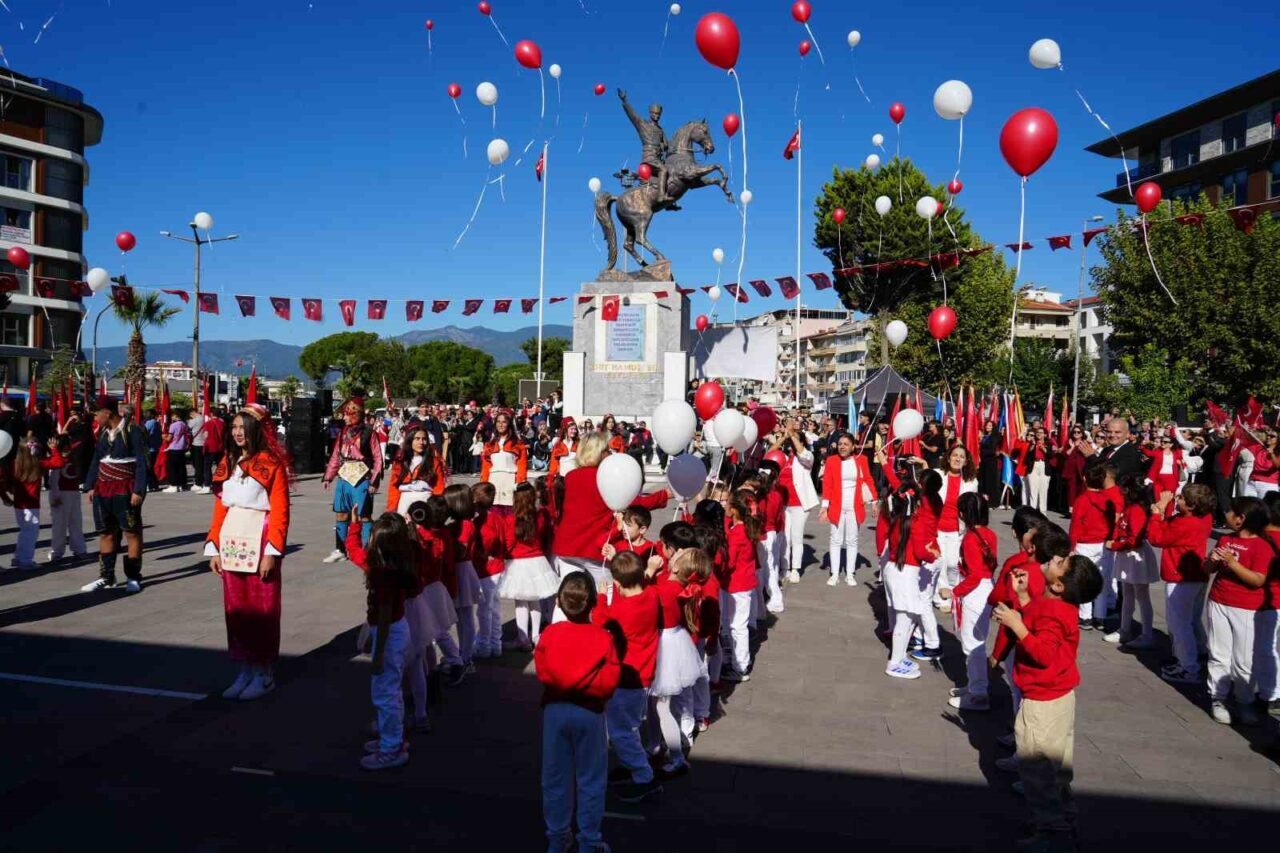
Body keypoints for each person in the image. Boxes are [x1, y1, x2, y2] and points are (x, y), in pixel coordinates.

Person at [992, 553, 1101, 850]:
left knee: (1037, 770)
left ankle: (1052, 832)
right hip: (1060, 697)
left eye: (1060, 564)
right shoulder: (1058, 606)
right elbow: (1040, 622)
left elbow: (1043, 653)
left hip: (1043, 700)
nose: (1055, 559)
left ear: (1059, 585)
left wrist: (1017, 625)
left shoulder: (1055, 612)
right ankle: (1063, 820)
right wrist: (1025, 598)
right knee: (1057, 770)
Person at [204, 404, 292, 701]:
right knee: (236, 608)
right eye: (234, 427)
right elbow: (221, 506)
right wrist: (213, 545)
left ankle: (264, 672)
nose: (237, 432)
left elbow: (280, 511)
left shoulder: (271, 464)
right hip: (231, 540)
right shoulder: (227, 461)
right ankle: (244, 667)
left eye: (243, 427)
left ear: (256, 429)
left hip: (260, 537)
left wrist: (272, 552)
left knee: (262, 609)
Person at [535, 573, 620, 853]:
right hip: (590, 711)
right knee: (591, 779)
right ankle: (589, 840)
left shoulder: (550, 634)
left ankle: (558, 837)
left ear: (559, 601)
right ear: (593, 604)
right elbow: (610, 679)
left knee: (554, 776)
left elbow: (543, 672)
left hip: (556, 710)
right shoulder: (602, 637)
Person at [345, 512, 422, 770]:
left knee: (384, 693)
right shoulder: (399, 565)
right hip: (396, 631)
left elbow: (353, 550)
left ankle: (392, 747)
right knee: (392, 690)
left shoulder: (383, 573)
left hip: (388, 633)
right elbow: (355, 551)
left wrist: (377, 654)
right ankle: (394, 739)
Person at [591, 550, 663, 803]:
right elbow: (636, 592)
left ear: (618, 583)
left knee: (619, 730)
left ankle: (644, 776)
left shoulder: (621, 612)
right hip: (645, 671)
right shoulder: (651, 595)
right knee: (630, 725)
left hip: (627, 677)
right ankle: (634, 762)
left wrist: (601, 597)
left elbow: (600, 620)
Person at [552, 432, 669, 589]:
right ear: (600, 453)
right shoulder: (604, 476)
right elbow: (634, 502)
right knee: (608, 593)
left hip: (566, 545)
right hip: (595, 547)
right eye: (607, 449)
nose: (610, 453)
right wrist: (665, 495)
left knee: (568, 596)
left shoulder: (571, 476)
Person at [1204, 497, 1276, 726]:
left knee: (1243, 658)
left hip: (1246, 608)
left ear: (1241, 518)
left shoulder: (1263, 547)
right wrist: (1212, 562)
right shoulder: (1226, 538)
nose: (1226, 514)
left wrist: (1233, 564)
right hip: (1219, 601)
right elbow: (1207, 568)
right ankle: (1218, 697)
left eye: (1230, 511)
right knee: (1218, 652)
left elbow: (1257, 580)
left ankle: (1243, 700)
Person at [1148, 484, 1216, 684]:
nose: (1178, 500)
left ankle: (1187, 666)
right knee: (1193, 619)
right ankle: (1200, 652)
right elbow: (1172, 523)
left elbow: (1157, 537)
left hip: (1181, 579)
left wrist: (1157, 511)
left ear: (1192, 505)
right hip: (1197, 575)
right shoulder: (1204, 518)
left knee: (1179, 624)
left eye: (1182, 499)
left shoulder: (1185, 524)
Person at [80, 401, 150, 593]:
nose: (95, 418)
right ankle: (106, 577)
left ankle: (133, 577)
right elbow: (97, 460)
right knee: (105, 532)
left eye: (96, 414)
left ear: (107, 412)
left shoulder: (133, 431)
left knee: (131, 532)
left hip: (125, 488)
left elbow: (142, 462)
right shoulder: (103, 433)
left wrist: (138, 490)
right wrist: (90, 486)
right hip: (103, 488)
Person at [881, 472, 942, 678]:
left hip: (894, 570)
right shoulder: (916, 523)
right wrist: (933, 555)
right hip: (905, 574)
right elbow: (920, 551)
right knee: (905, 619)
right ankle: (895, 661)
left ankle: (899, 657)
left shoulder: (896, 520)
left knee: (906, 617)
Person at [945, 492, 997, 711]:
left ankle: (978, 693)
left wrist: (954, 591)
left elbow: (974, 575)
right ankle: (975, 685)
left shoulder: (969, 538)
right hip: (986, 587)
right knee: (976, 641)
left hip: (975, 591)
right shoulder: (989, 534)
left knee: (972, 644)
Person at [321, 398, 384, 564]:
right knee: (341, 513)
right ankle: (340, 549)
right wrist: (329, 475)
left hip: (362, 477)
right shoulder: (343, 432)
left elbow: (378, 457)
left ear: (357, 414)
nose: (344, 417)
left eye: (348, 413)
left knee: (364, 514)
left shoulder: (370, 433)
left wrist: (374, 480)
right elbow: (336, 455)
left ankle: (366, 549)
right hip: (344, 476)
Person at [499, 481, 561, 649]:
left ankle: (523, 639)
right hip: (538, 561)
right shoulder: (540, 515)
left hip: (518, 563)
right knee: (535, 601)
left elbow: (509, 544)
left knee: (521, 603)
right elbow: (547, 538)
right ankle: (536, 636)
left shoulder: (511, 519)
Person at [1103, 473, 1159, 649]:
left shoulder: (1135, 510)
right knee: (1127, 593)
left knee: (1142, 596)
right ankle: (1125, 629)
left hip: (1135, 555)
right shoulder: (1131, 508)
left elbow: (1135, 538)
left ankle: (1147, 634)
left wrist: (1115, 545)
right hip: (1127, 555)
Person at [820, 432, 877, 587]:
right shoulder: (831, 461)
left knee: (852, 540)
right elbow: (827, 484)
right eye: (840, 444)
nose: (842, 447)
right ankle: (835, 573)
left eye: (846, 444)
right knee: (835, 540)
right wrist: (825, 507)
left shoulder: (861, 460)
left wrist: (873, 501)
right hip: (837, 506)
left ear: (853, 446)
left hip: (855, 506)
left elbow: (868, 480)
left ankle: (850, 574)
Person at [3, 434, 64, 570]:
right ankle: (25, 560)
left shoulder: (14, 465)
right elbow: (59, 462)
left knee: (25, 531)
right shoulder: (39, 464)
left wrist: (8, 490)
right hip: (31, 505)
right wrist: (54, 449)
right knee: (30, 533)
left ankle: (18, 558)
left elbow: (5, 479)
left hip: (19, 504)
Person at [441, 483, 483, 683]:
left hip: (462, 570)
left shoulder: (464, 525)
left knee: (465, 617)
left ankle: (466, 658)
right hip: (461, 570)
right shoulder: (461, 523)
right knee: (461, 616)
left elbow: (461, 551)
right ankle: (463, 655)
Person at [1069, 464, 1118, 630]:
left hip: (1085, 544)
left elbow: (1075, 525)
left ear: (1084, 479)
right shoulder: (1108, 501)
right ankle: (1100, 616)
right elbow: (1112, 523)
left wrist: (1071, 546)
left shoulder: (1082, 500)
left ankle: (1085, 616)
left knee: (1084, 581)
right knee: (1103, 581)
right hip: (1104, 544)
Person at [933, 444, 980, 611]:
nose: (957, 459)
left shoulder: (971, 482)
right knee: (940, 562)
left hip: (957, 529)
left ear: (966, 461)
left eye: (961, 456)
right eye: (955, 455)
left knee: (953, 563)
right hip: (937, 527)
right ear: (948, 457)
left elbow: (972, 508)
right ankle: (940, 597)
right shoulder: (937, 475)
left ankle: (953, 592)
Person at [773, 418, 818, 582]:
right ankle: (784, 567)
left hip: (800, 504)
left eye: (795, 439)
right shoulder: (783, 458)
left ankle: (795, 569)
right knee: (785, 537)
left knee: (797, 537)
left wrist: (793, 434)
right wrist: (784, 437)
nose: (792, 442)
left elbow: (802, 452)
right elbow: (769, 455)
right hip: (783, 504)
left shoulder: (807, 457)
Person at [471, 482, 507, 659]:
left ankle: (484, 645)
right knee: (494, 608)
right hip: (498, 567)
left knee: (484, 610)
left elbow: (489, 539)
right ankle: (495, 642)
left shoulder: (480, 522)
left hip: (486, 570)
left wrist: (481, 553)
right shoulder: (498, 517)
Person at [45, 432, 88, 565]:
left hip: (64, 493)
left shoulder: (58, 459)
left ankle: (58, 552)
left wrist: (55, 496)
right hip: (69, 493)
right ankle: (78, 550)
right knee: (72, 522)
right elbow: (55, 479)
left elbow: (53, 480)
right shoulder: (70, 457)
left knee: (62, 524)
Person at [386, 426, 447, 515]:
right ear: (410, 440)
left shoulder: (434, 462)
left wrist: (436, 507)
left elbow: (439, 486)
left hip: (426, 499)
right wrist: (391, 508)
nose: (421, 442)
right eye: (417, 439)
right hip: (405, 499)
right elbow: (394, 486)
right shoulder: (401, 461)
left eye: (424, 439)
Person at [481, 409, 527, 511]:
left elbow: (522, 466)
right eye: (498, 422)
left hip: (510, 481)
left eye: (504, 422)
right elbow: (486, 467)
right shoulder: (489, 445)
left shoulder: (518, 444)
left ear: (509, 424)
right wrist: (484, 484)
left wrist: (520, 483)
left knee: (509, 513)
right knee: (493, 511)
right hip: (493, 481)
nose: (500, 425)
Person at [163, 408, 192, 493]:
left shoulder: (173, 425)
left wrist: (164, 437)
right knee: (181, 467)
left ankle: (174, 485)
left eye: (172, 415)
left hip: (174, 447)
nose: (171, 417)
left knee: (172, 468)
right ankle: (182, 485)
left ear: (176, 415)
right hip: (182, 447)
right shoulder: (184, 424)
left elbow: (169, 438)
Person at [200, 409, 225, 495]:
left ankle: (207, 485)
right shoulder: (222, 423)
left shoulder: (208, 423)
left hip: (210, 447)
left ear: (211, 414)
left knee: (207, 467)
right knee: (221, 467)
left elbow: (206, 435)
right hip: (220, 447)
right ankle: (222, 484)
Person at [188, 407, 208, 493]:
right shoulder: (205, 418)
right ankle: (204, 480)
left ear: (192, 413)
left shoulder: (194, 420)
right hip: (204, 443)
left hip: (196, 444)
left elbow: (188, 427)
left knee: (198, 465)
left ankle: (198, 483)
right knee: (204, 464)